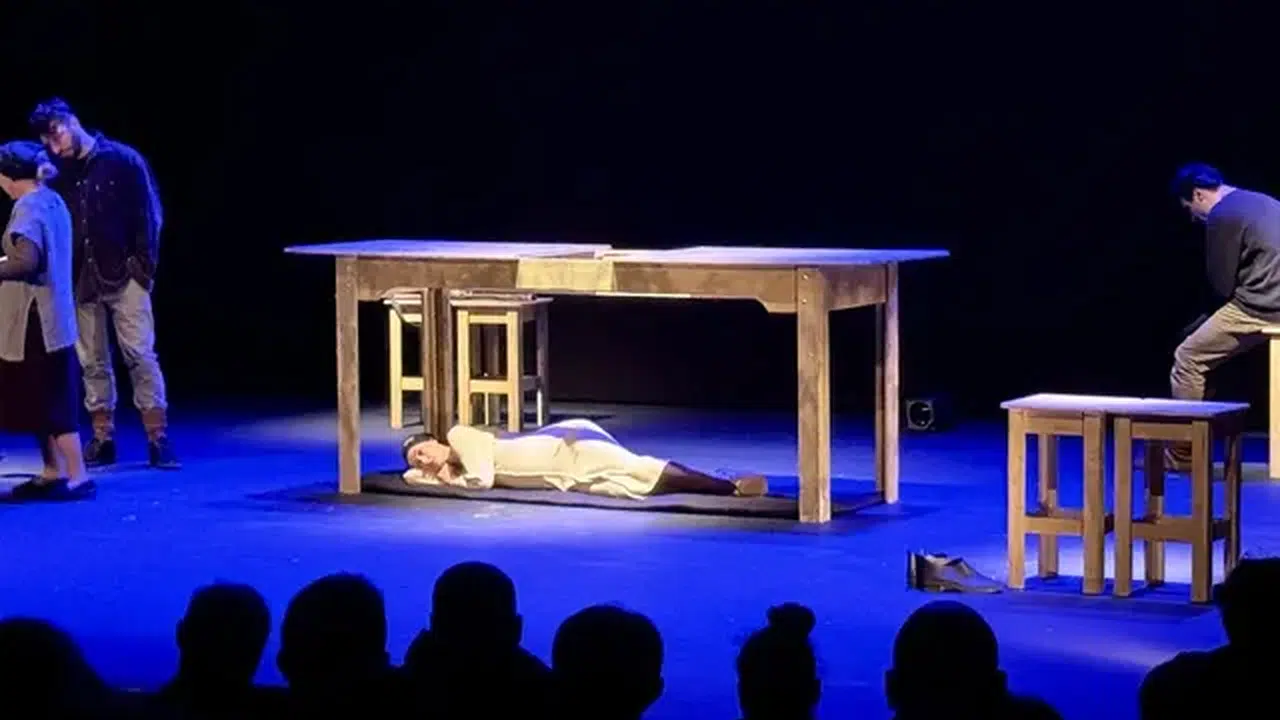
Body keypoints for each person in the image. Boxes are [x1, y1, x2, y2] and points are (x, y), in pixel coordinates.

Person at [29, 98, 177, 469]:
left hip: (124, 274)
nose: (55, 146)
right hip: (81, 277)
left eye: (56, 134)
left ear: (72, 121)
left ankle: (157, 436)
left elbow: (150, 214)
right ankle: (102, 437)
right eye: (47, 141)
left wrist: (142, 270)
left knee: (140, 354)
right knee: (92, 361)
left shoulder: (123, 160)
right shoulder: (56, 171)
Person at [1167, 163, 1280, 469]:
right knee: (1204, 346)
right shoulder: (1262, 200)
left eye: (1190, 210)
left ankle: (1184, 455)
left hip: (1263, 305)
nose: (1194, 218)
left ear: (1198, 195)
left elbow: (1222, 284)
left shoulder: (1222, 214)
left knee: (1189, 358)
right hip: (1271, 297)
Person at [0, 140, 93, 500]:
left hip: (36, 321)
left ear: (9, 177)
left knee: (52, 395)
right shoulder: (51, 199)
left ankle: (77, 475)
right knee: (42, 397)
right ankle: (54, 470)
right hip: (53, 315)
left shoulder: (28, 207)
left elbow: (27, 261)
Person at [401, 418, 768, 498]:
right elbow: (409, 478)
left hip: (567, 448)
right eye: (415, 460)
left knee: (636, 466)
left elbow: (482, 481)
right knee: (628, 487)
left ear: (433, 439)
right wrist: (434, 473)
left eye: (420, 451)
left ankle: (728, 486)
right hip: (563, 476)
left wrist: (447, 479)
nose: (420, 461)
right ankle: (713, 482)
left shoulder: (460, 436)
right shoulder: (454, 463)